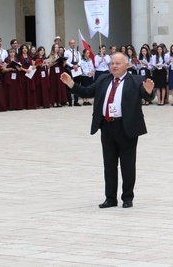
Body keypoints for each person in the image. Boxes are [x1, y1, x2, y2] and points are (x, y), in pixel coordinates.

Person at [60, 53, 155, 209]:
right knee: (109, 164)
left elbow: (147, 96)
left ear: (127, 65)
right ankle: (110, 198)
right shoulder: (103, 79)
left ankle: (127, 197)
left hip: (126, 128)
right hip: (107, 126)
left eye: (118, 63)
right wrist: (70, 83)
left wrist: (150, 91)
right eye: (112, 63)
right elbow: (86, 92)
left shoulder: (136, 81)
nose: (114, 66)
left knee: (127, 164)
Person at [64, 39, 82, 106]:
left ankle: (76, 101)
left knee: (76, 85)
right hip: (70, 68)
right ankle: (70, 101)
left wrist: (77, 65)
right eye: (72, 43)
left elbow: (80, 60)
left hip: (77, 68)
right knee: (69, 84)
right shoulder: (67, 52)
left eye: (74, 43)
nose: (73, 44)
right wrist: (72, 66)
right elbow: (66, 61)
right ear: (69, 44)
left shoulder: (77, 52)